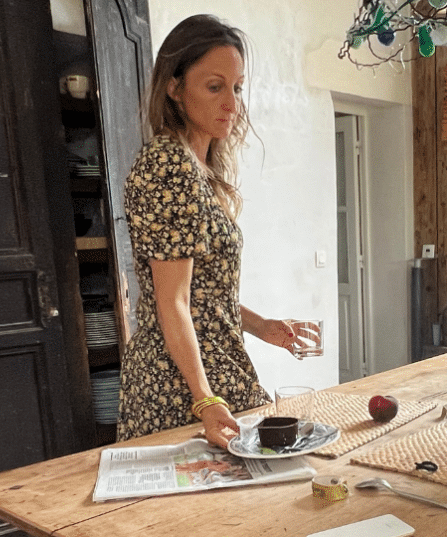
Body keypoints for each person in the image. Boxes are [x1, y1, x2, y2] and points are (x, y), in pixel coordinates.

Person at [118, 14, 304, 449]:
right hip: (179, 384)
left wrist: (261, 326)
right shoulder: (168, 164)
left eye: (237, 88)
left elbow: (203, 293)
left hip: (213, 370)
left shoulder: (200, 170)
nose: (232, 104)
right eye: (215, 86)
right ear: (175, 88)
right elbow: (173, 301)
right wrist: (204, 399)